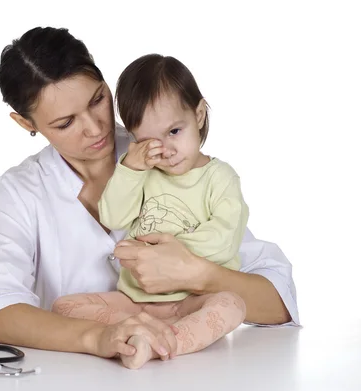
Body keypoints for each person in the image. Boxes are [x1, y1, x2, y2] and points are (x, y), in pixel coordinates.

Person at [0, 26, 299, 367]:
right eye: (66, 123)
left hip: (186, 379)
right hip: (78, 382)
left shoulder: (166, 151)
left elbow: (276, 300)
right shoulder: (20, 191)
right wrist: (97, 337)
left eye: (97, 100)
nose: (95, 128)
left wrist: (195, 272)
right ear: (25, 123)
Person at [52, 53, 250, 369]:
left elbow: (225, 239)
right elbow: (113, 216)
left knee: (233, 306)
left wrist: (163, 256)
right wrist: (131, 167)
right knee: (64, 306)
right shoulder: (143, 173)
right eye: (148, 141)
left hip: (191, 302)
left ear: (198, 115)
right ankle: (133, 332)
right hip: (135, 303)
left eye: (174, 132)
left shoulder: (220, 178)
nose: (166, 151)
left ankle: (159, 342)